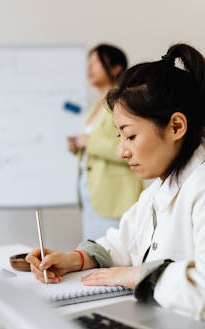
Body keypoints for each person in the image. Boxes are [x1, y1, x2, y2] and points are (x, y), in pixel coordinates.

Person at [26, 43, 205, 320]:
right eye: (119, 136)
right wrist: (75, 259)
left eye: (130, 136)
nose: (122, 151)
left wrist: (135, 274)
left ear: (176, 127)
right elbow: (122, 243)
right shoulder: (157, 191)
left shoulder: (200, 187)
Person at [67, 44, 143, 240]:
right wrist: (78, 146)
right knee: (92, 253)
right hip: (92, 196)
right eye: (88, 63)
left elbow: (131, 146)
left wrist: (88, 142)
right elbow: (98, 145)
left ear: (116, 67)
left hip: (114, 198)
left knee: (111, 257)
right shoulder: (97, 106)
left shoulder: (124, 102)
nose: (88, 68)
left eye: (95, 62)